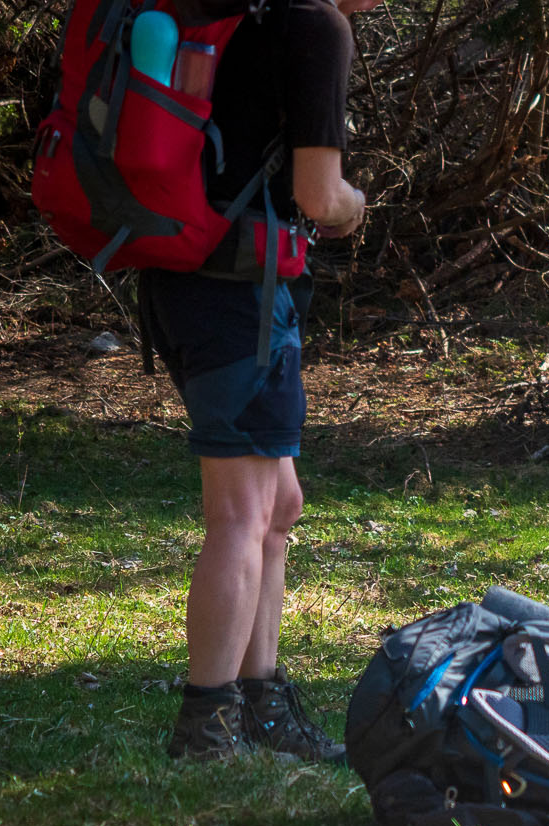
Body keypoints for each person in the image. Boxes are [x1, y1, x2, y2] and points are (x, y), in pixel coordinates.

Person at [140, 0, 381, 761]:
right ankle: (207, 724)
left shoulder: (236, 18)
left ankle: (262, 703)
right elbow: (319, 194)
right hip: (239, 292)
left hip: (189, 284)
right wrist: (357, 206)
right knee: (243, 512)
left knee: (278, 504)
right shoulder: (315, 30)